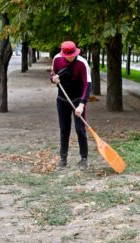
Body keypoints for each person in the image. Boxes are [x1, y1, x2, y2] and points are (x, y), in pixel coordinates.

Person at [50, 41, 92, 170]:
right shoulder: (57, 59)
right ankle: (63, 159)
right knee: (64, 129)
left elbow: (87, 84)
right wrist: (53, 79)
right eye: (67, 55)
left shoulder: (82, 63)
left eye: (72, 55)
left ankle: (84, 159)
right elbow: (53, 74)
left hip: (77, 100)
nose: (70, 57)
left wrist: (81, 104)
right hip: (62, 100)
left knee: (80, 130)